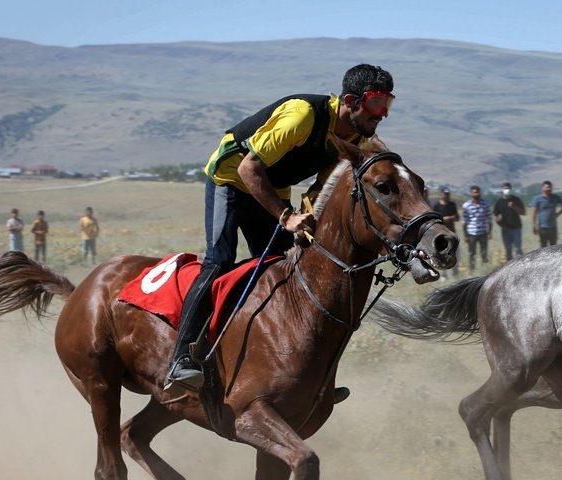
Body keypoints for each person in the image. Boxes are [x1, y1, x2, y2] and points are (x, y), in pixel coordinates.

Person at [164, 63, 395, 394]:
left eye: (388, 103)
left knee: (287, 270)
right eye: (376, 103)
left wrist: (308, 225)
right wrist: (286, 217)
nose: (383, 114)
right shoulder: (302, 115)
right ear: (350, 101)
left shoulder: (356, 138)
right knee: (219, 261)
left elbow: (321, 191)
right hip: (231, 180)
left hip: (272, 189)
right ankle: (180, 359)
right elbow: (249, 168)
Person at [460, 185, 492, 272]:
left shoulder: (485, 204)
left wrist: (489, 232)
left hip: (483, 232)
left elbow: (489, 219)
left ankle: (485, 270)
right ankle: (472, 271)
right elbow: (464, 221)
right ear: (471, 193)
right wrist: (465, 235)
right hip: (471, 233)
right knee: (471, 253)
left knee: (484, 252)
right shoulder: (466, 205)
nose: (476, 194)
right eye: (474, 192)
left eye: (478, 192)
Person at [493, 181, 526, 261]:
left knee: (518, 249)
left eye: (508, 188)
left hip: (516, 228)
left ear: (511, 189)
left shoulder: (516, 200)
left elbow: (523, 212)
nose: (507, 190)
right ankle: (509, 265)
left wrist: (514, 206)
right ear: (501, 190)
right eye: (505, 188)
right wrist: (500, 223)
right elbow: (495, 215)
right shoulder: (499, 202)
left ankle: (520, 265)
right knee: (508, 250)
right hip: (505, 229)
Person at [431, 188, 460, 276]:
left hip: (451, 233)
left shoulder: (452, 205)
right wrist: (444, 219)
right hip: (440, 234)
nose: (447, 196)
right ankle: (443, 274)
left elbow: (457, 217)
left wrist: (453, 217)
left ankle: (455, 273)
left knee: (454, 253)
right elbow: (433, 220)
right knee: (441, 255)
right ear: (441, 195)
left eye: (448, 194)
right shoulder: (436, 206)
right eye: (445, 194)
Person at [531, 180, 562, 248]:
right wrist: (534, 226)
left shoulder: (555, 197)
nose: (549, 189)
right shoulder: (537, 199)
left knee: (554, 247)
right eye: (547, 187)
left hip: (553, 227)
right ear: (542, 188)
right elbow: (534, 213)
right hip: (542, 227)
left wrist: (558, 213)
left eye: (550, 187)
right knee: (543, 248)